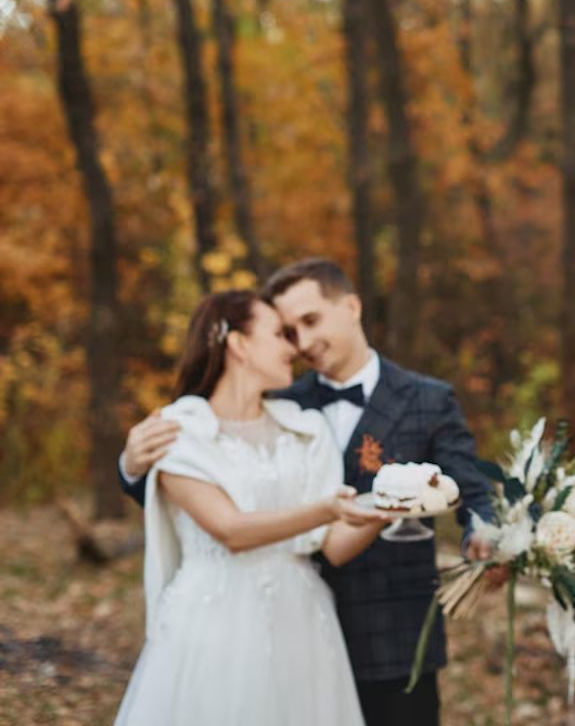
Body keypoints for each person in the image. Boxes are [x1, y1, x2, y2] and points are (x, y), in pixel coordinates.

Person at [119, 260, 498, 726]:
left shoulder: (427, 399)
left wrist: (483, 534)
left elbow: (471, 485)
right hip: (268, 628)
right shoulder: (282, 403)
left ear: (352, 307)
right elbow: (194, 503)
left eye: (311, 321)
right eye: (287, 330)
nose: (301, 343)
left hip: (389, 634)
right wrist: (132, 467)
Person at [114, 289, 392, 726]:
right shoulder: (180, 432)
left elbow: (333, 546)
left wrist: (387, 507)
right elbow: (230, 531)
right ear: (238, 344)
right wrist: (327, 509)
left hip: (301, 623)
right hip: (214, 624)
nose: (294, 348)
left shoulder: (305, 429)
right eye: (280, 334)